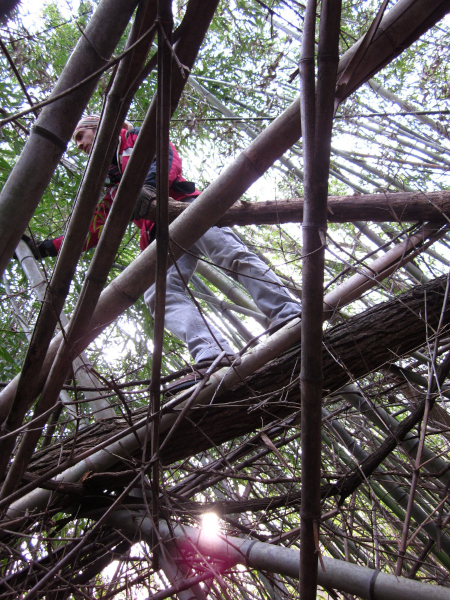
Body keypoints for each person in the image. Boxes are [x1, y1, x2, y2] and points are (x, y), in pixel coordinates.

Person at [26, 115, 302, 372]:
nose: (79, 146)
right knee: (158, 294)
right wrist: (46, 248)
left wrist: (150, 188)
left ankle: (289, 314)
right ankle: (213, 352)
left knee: (231, 255)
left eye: (79, 136)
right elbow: (94, 228)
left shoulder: (135, 138)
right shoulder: (110, 181)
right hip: (159, 236)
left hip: (186, 209)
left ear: (98, 127)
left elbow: (166, 157)